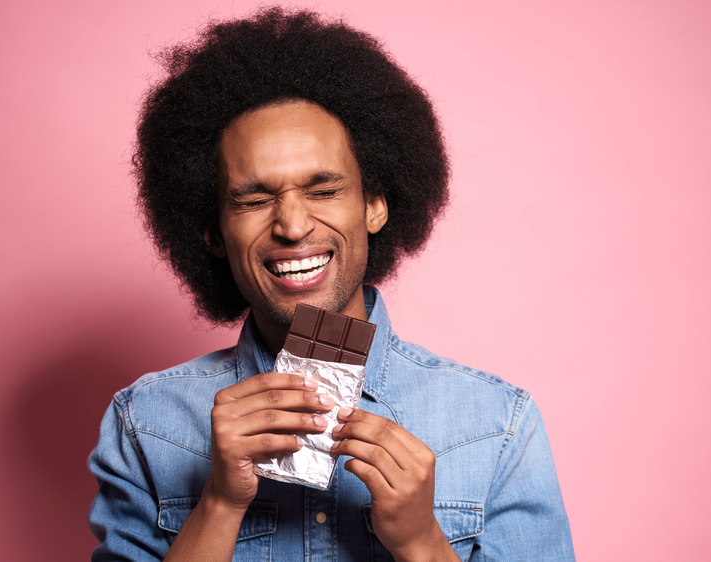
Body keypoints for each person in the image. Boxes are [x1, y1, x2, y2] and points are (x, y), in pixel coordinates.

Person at [89, 7, 574, 561]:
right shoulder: (145, 423)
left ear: (374, 205)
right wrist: (220, 503)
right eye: (253, 199)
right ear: (214, 232)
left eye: (323, 191)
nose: (292, 226)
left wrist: (422, 542)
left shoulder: (499, 426)